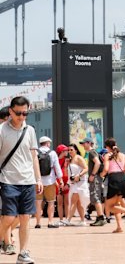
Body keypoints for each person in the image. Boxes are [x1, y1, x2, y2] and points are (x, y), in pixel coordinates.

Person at [0, 96, 43, 263]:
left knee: (25, 217)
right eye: (18, 113)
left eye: (25, 113)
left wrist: (38, 178)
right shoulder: (2, 130)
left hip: (28, 180)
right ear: (11, 111)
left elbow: (33, 157)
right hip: (8, 179)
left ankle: (23, 252)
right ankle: (4, 238)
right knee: (9, 217)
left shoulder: (30, 130)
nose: (22, 117)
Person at [99, 137, 125, 233]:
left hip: (113, 179)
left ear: (107, 147)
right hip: (122, 179)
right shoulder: (122, 155)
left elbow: (105, 169)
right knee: (116, 204)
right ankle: (119, 227)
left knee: (108, 206)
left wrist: (101, 175)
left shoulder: (107, 156)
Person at [34, 136, 63, 229]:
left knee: (38, 203)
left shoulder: (35, 152)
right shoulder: (52, 153)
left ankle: (38, 223)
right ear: (47, 143)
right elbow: (57, 167)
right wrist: (60, 179)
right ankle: (50, 222)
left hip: (37, 181)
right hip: (50, 181)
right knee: (51, 202)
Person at [81, 138, 106, 226]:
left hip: (95, 178)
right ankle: (100, 217)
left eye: (84, 143)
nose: (83, 145)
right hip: (96, 178)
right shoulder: (93, 152)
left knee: (95, 197)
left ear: (89, 143)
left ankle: (101, 218)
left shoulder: (92, 152)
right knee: (95, 197)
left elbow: (98, 163)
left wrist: (92, 175)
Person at [63, 143, 90, 226]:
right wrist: (66, 165)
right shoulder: (70, 160)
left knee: (73, 201)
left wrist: (79, 175)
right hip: (74, 183)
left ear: (76, 150)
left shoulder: (79, 158)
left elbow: (86, 168)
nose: (70, 151)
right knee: (78, 203)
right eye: (68, 150)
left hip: (80, 183)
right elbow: (66, 173)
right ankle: (83, 220)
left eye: (71, 150)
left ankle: (68, 219)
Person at [55, 144, 70, 225]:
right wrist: (57, 182)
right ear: (61, 151)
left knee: (67, 202)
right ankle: (61, 219)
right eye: (66, 150)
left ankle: (67, 219)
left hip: (66, 182)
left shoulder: (67, 160)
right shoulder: (55, 160)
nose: (67, 151)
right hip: (58, 182)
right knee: (59, 202)